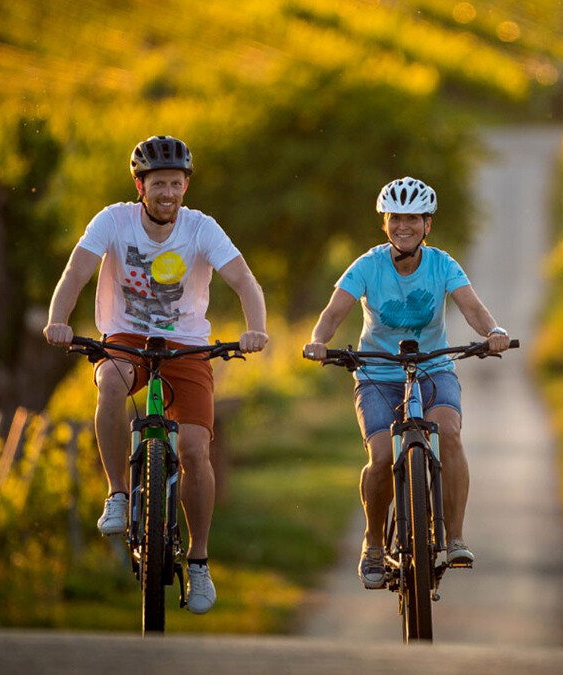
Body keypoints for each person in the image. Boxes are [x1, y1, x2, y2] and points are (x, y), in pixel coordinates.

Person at [43, 135, 268, 614]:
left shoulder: (201, 228)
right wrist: (58, 319)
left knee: (193, 450)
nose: (167, 192)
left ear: (186, 185)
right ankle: (119, 496)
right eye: (157, 183)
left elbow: (244, 280)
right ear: (139, 186)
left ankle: (200, 563)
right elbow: (76, 272)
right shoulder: (113, 221)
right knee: (109, 383)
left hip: (187, 345)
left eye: (175, 183)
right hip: (125, 338)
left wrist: (257, 330)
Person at [302, 176, 511, 589]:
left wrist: (493, 332)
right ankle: (374, 543)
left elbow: (473, 308)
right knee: (381, 456)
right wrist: (317, 342)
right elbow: (332, 313)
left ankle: (454, 538)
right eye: (396, 218)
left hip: (433, 368)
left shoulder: (442, 264)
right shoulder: (366, 265)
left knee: (448, 432)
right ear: (385, 223)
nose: (404, 226)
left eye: (413, 218)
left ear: (427, 224)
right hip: (377, 373)